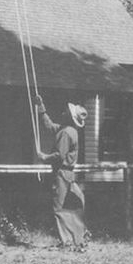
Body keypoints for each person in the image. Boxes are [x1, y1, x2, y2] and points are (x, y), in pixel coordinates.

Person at [34, 95, 89, 251]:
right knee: (74, 205)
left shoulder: (66, 133)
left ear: (70, 117)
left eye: (67, 111)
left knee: (59, 208)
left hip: (62, 174)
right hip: (68, 174)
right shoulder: (68, 129)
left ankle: (67, 242)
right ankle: (78, 240)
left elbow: (59, 155)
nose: (64, 111)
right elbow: (49, 126)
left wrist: (44, 157)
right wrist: (41, 108)